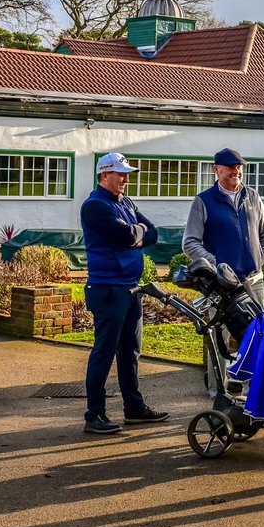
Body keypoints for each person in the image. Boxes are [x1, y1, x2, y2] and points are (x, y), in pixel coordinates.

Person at [80, 152, 168, 434]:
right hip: (108, 288)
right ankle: (94, 415)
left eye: (126, 173)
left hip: (131, 287)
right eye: (119, 173)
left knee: (130, 351)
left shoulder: (126, 203)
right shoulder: (95, 206)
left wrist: (136, 233)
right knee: (104, 351)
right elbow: (127, 237)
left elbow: (152, 233)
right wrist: (136, 234)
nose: (125, 179)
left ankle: (134, 408)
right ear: (104, 175)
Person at [182, 147, 264, 401]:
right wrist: (218, 266)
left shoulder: (252, 197)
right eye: (231, 167)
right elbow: (190, 243)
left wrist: (262, 257)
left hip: (253, 281)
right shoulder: (204, 201)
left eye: (239, 167)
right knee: (218, 337)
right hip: (220, 286)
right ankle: (218, 392)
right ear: (217, 170)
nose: (236, 172)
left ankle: (253, 391)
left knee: (257, 335)